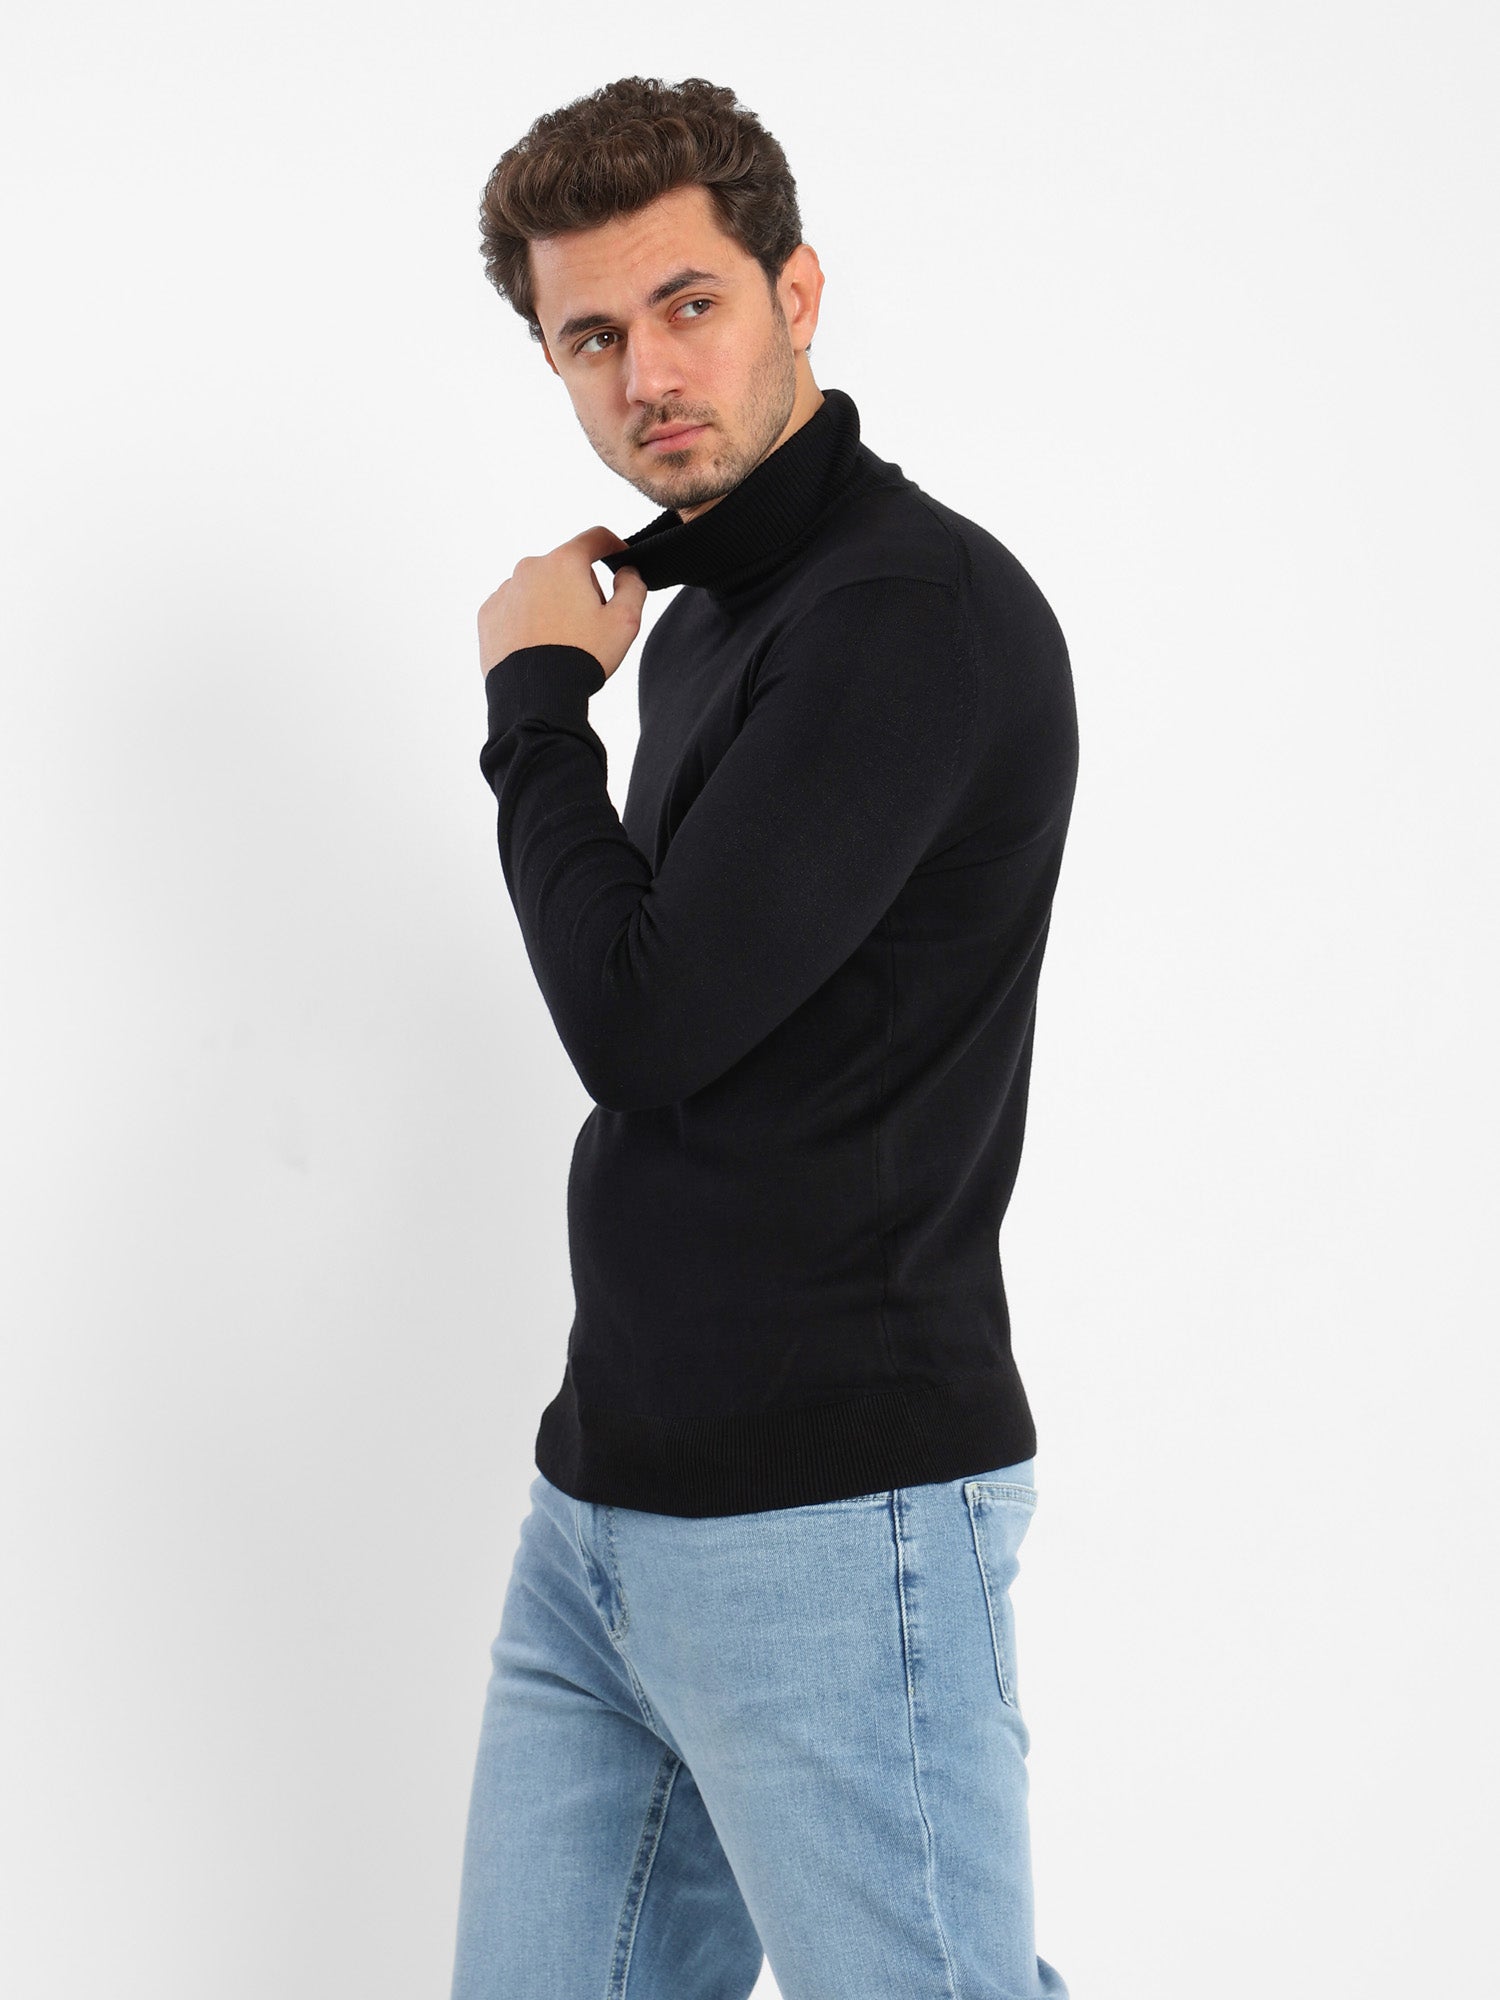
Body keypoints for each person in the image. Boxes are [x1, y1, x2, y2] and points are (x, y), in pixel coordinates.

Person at [451, 73, 1076, 2000]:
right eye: (593, 336)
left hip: (830, 1528)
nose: (648, 373)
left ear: (797, 292)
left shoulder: (901, 615)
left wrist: (534, 705)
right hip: (606, 1512)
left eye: (690, 303)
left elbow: (641, 1021)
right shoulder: (720, 607)